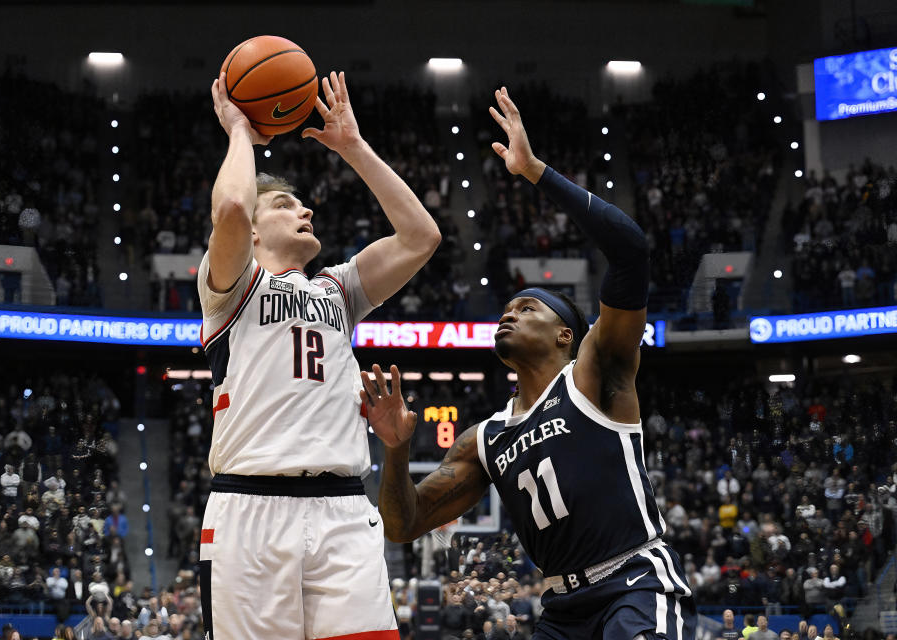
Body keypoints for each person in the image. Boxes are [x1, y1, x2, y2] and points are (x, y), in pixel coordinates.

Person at [367, 87, 695, 639]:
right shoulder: (484, 438)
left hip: (635, 583)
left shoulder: (595, 375)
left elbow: (632, 250)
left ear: (567, 334)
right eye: (506, 308)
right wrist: (396, 451)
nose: (508, 314)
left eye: (526, 307)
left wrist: (535, 170)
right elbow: (403, 525)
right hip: (562, 611)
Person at [197, 70, 440, 640]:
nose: (305, 211)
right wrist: (238, 130)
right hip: (250, 509)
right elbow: (231, 206)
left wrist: (353, 147)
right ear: (255, 234)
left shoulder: (338, 288)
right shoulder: (232, 285)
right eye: (285, 205)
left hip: (343, 508)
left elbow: (420, 237)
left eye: (304, 205)